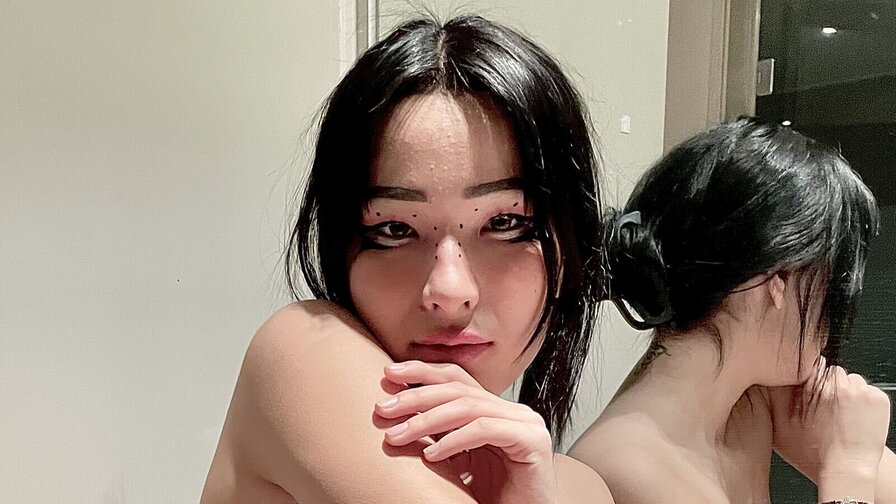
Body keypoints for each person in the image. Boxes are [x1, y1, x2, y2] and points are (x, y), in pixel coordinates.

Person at [201, 15, 613, 503]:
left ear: (570, 244)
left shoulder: (575, 486)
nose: (450, 291)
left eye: (505, 223)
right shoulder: (303, 353)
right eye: (395, 230)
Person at [569, 117, 895, 503]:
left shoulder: (752, 394)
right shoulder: (630, 468)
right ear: (779, 281)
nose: (835, 306)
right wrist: (849, 468)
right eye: (832, 279)